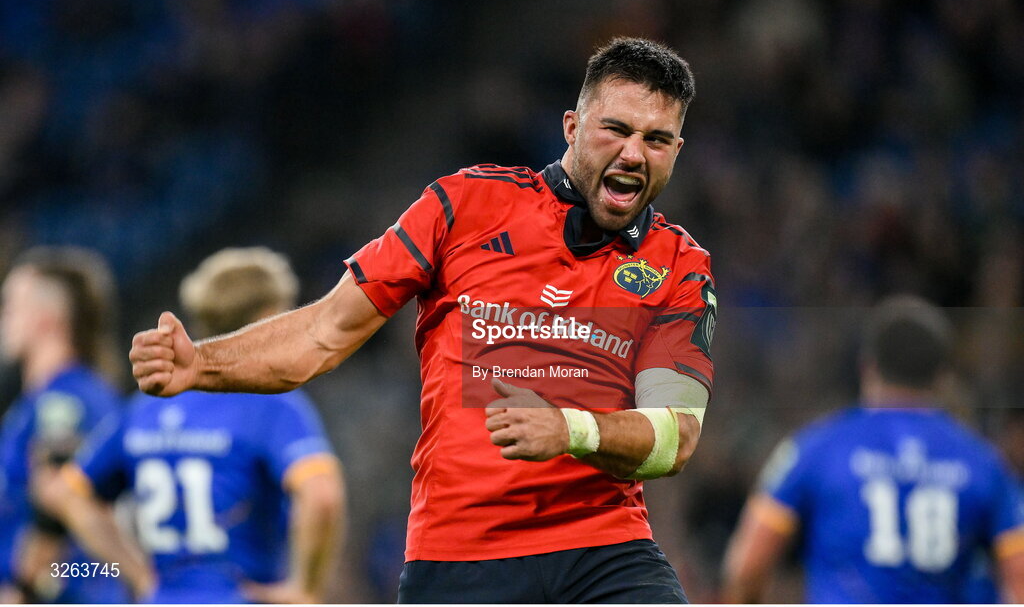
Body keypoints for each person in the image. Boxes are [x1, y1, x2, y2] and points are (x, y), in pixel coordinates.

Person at [130, 37, 716, 603]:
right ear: (572, 127)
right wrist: (201, 362)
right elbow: (321, 334)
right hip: (460, 555)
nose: (634, 153)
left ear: (677, 151)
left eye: (657, 139)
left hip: (605, 550)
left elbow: (675, 436)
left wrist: (569, 430)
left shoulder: (679, 265)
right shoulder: (465, 206)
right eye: (616, 129)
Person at [35, 247, 346, 603]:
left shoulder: (144, 408)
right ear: (270, 317)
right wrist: (305, 590)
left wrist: (139, 575)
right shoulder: (273, 405)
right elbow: (321, 494)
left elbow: (70, 494)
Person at [721, 295, 1024, 603]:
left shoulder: (816, 449)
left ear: (868, 365)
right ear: (941, 376)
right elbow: (1019, 579)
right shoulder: (985, 463)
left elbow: (748, 567)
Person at [0, 246, 128, 603]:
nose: (3, 317)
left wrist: (22, 590)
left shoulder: (64, 403)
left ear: (47, 317)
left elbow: (56, 504)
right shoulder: (45, 400)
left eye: (11, 306)